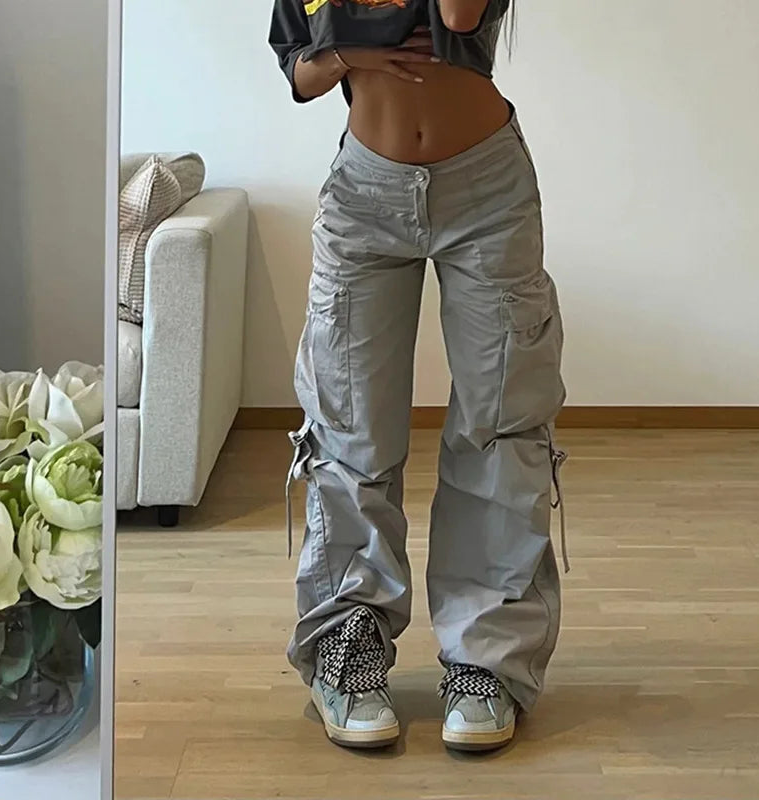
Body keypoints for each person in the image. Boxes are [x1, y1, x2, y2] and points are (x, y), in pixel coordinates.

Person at [270, 0, 567, 752]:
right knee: (349, 427)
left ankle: (486, 660)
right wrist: (351, 58)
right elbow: (299, 71)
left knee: (499, 424)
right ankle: (348, 646)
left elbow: (460, 19)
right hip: (364, 192)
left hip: (486, 189)